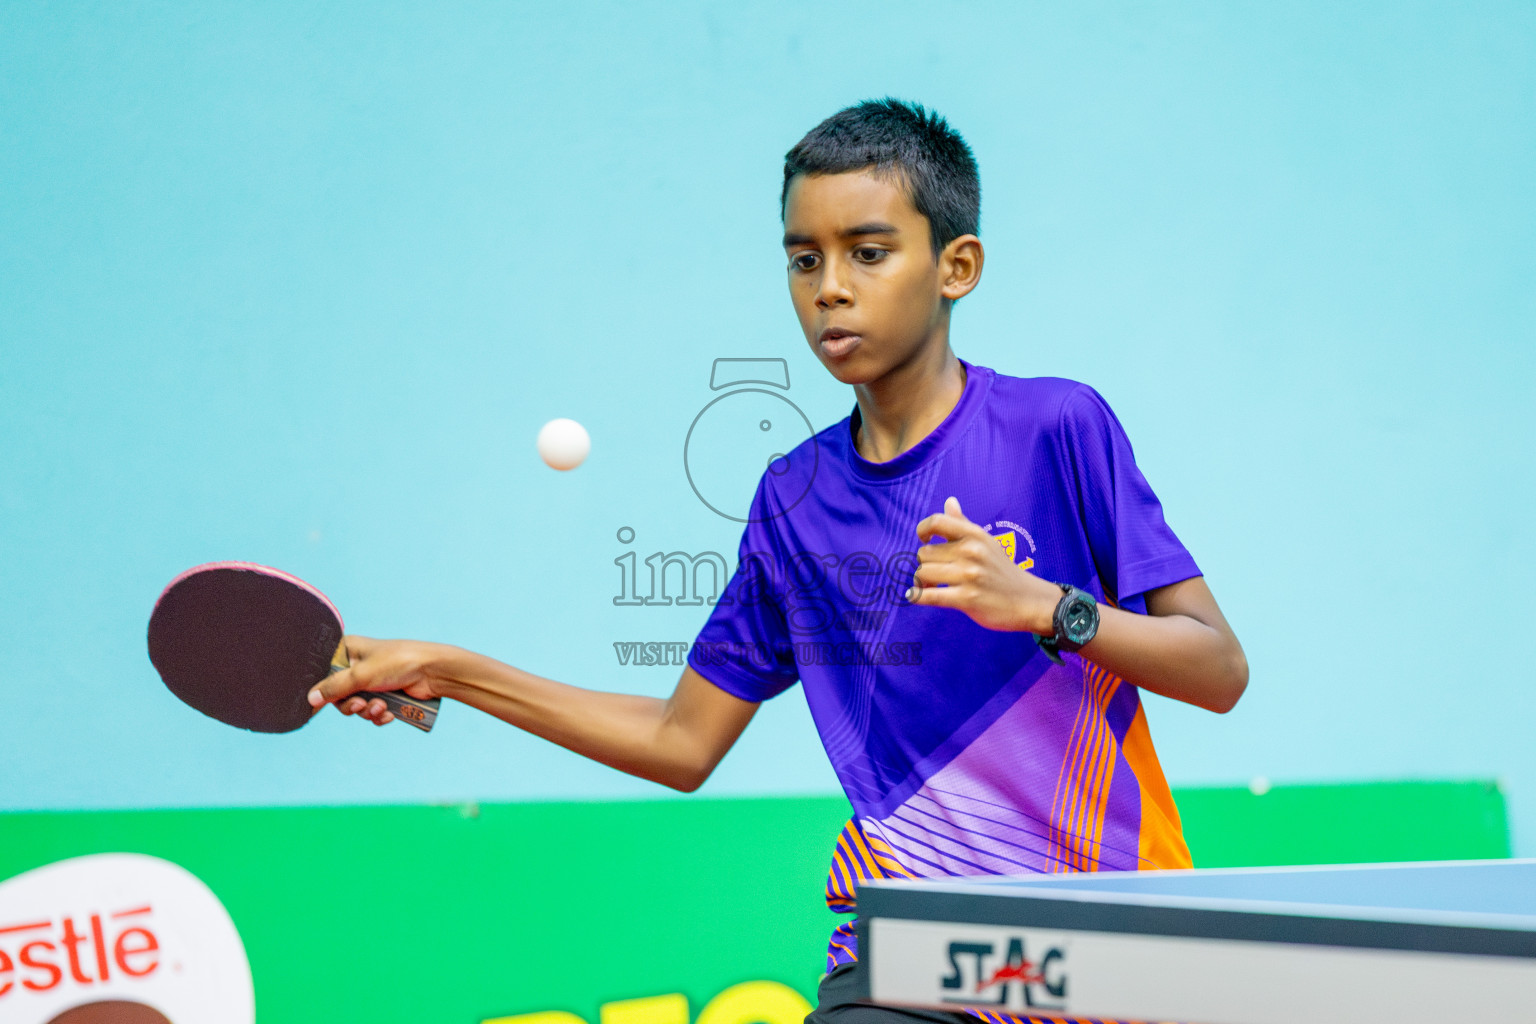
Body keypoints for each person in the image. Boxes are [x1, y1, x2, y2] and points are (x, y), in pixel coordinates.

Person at [310, 99, 1248, 1024]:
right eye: (805, 260)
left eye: (868, 253)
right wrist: (448, 671)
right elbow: (682, 743)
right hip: (912, 947)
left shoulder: (1056, 428)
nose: (829, 287)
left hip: (1103, 943)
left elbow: (1218, 669)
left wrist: (1049, 608)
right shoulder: (795, 500)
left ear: (956, 266)